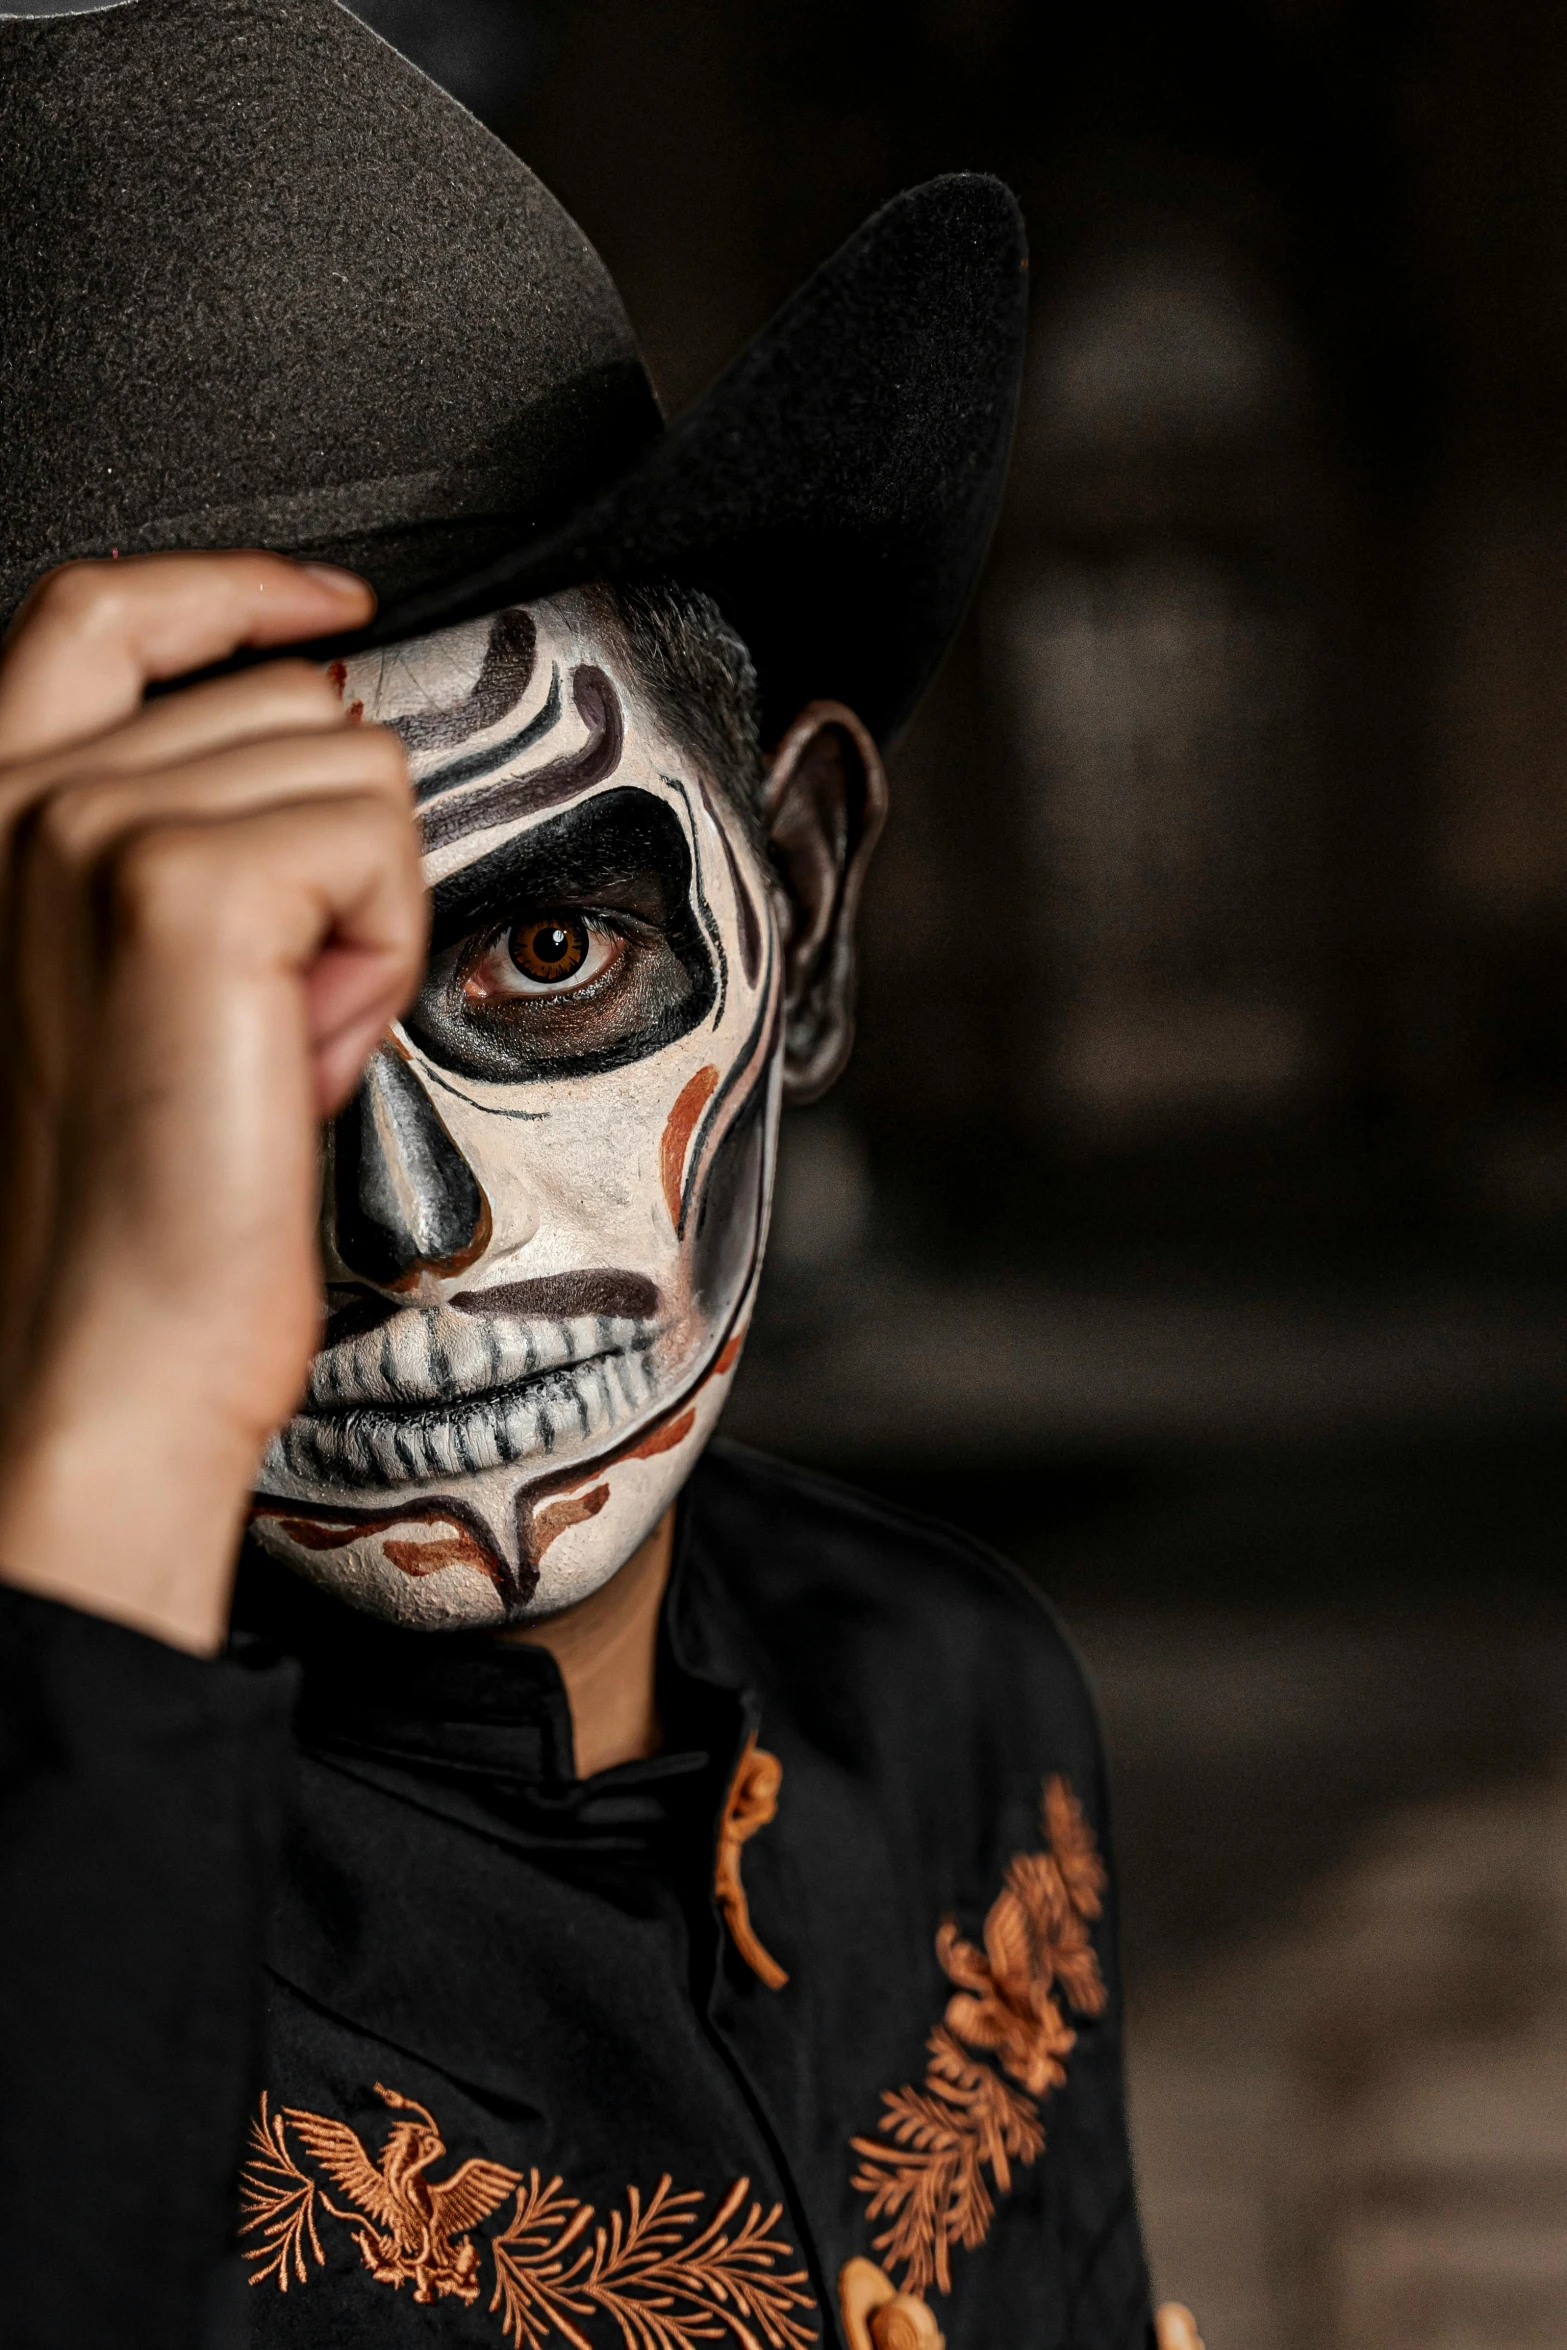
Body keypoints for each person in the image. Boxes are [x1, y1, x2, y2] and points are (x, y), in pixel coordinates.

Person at [0, 4, 1188, 2347]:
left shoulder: (960, 1701)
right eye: (203, 1010)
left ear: (807, 906)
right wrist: (117, 1409)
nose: (399, 1213)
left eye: (547, 941)